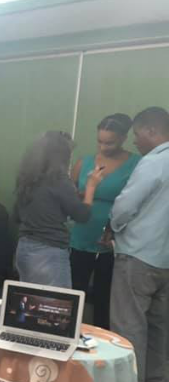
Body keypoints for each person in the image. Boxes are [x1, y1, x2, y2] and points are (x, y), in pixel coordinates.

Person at [109, 107, 169, 382]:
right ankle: (157, 380)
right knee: (160, 323)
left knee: (129, 322)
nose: (135, 141)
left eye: (137, 135)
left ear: (151, 131)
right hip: (165, 260)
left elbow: (125, 206)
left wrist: (114, 226)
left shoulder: (153, 162)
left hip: (138, 255)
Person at [69, 114, 140, 329]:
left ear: (124, 138)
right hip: (81, 234)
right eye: (99, 141)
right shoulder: (84, 162)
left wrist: (114, 230)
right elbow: (69, 198)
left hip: (114, 238)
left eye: (110, 142)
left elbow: (137, 202)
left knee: (105, 295)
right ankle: (69, 333)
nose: (103, 147)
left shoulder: (137, 163)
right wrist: (83, 193)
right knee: (75, 290)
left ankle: (103, 337)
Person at [14, 130, 104, 288]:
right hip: (48, 251)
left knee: (31, 299)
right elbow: (82, 215)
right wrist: (91, 186)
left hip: (24, 247)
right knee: (55, 301)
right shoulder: (59, 180)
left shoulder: (28, 179)